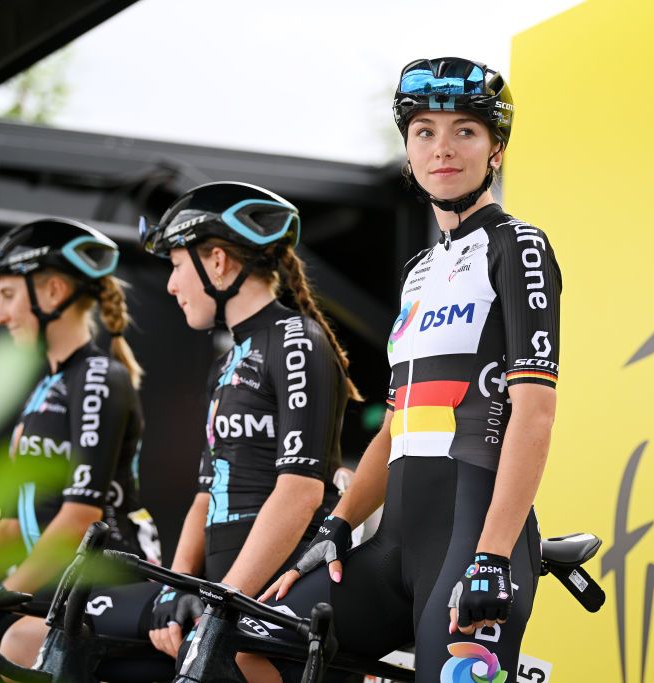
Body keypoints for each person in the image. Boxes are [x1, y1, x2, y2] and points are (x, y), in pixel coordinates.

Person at [238, 57, 562, 683]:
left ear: (495, 149)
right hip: (392, 548)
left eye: (465, 130)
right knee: (244, 642)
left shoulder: (518, 246)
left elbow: (536, 413)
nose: (443, 148)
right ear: (409, 152)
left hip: (472, 540)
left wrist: (491, 557)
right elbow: (394, 427)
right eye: (425, 132)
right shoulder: (419, 271)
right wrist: (336, 525)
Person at [0, 182, 363, 677]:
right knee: (26, 636)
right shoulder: (223, 363)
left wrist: (221, 602)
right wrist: (177, 584)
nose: (170, 285)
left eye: (175, 264)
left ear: (217, 261)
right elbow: (202, 494)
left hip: (273, 592)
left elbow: (300, 492)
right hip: (219, 587)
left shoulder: (295, 338)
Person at [0, 218, 160, 655]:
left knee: (13, 640)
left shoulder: (98, 376)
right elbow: (12, 525)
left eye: (8, 295)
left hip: (107, 576)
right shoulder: (45, 386)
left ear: (53, 292)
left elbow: (78, 519)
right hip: (52, 576)